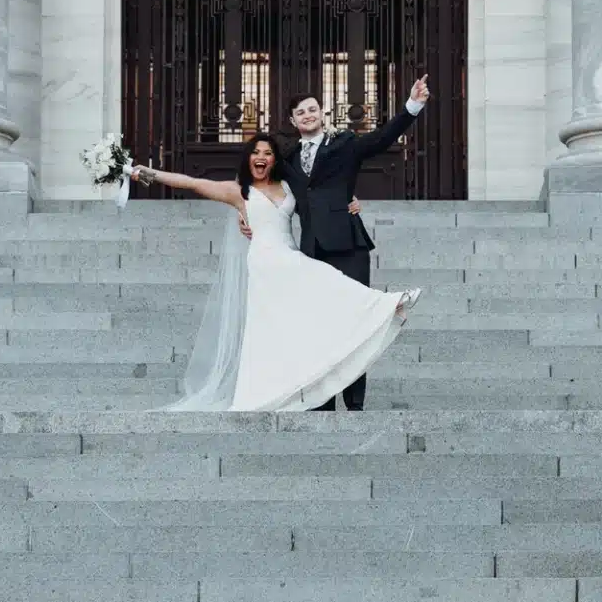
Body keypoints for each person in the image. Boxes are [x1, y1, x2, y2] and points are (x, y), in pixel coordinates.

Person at [130, 133, 421, 412]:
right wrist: (149, 173)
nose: (261, 157)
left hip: (289, 255)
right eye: (256, 153)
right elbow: (192, 182)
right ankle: (384, 305)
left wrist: (350, 200)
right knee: (311, 290)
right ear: (248, 160)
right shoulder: (238, 192)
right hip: (266, 263)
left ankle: (378, 311)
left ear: (274, 160)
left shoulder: (288, 186)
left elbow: (321, 195)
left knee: (304, 309)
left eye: (267, 153)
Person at [278, 74, 430, 411]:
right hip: (312, 251)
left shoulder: (344, 143)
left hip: (348, 246)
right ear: (292, 121)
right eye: (300, 112)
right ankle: (322, 401)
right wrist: (245, 212)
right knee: (319, 328)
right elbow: (256, 175)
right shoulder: (286, 157)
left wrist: (412, 106)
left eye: (312, 109)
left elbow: (381, 139)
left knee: (354, 325)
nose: (307, 115)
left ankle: (355, 401)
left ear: (322, 113)